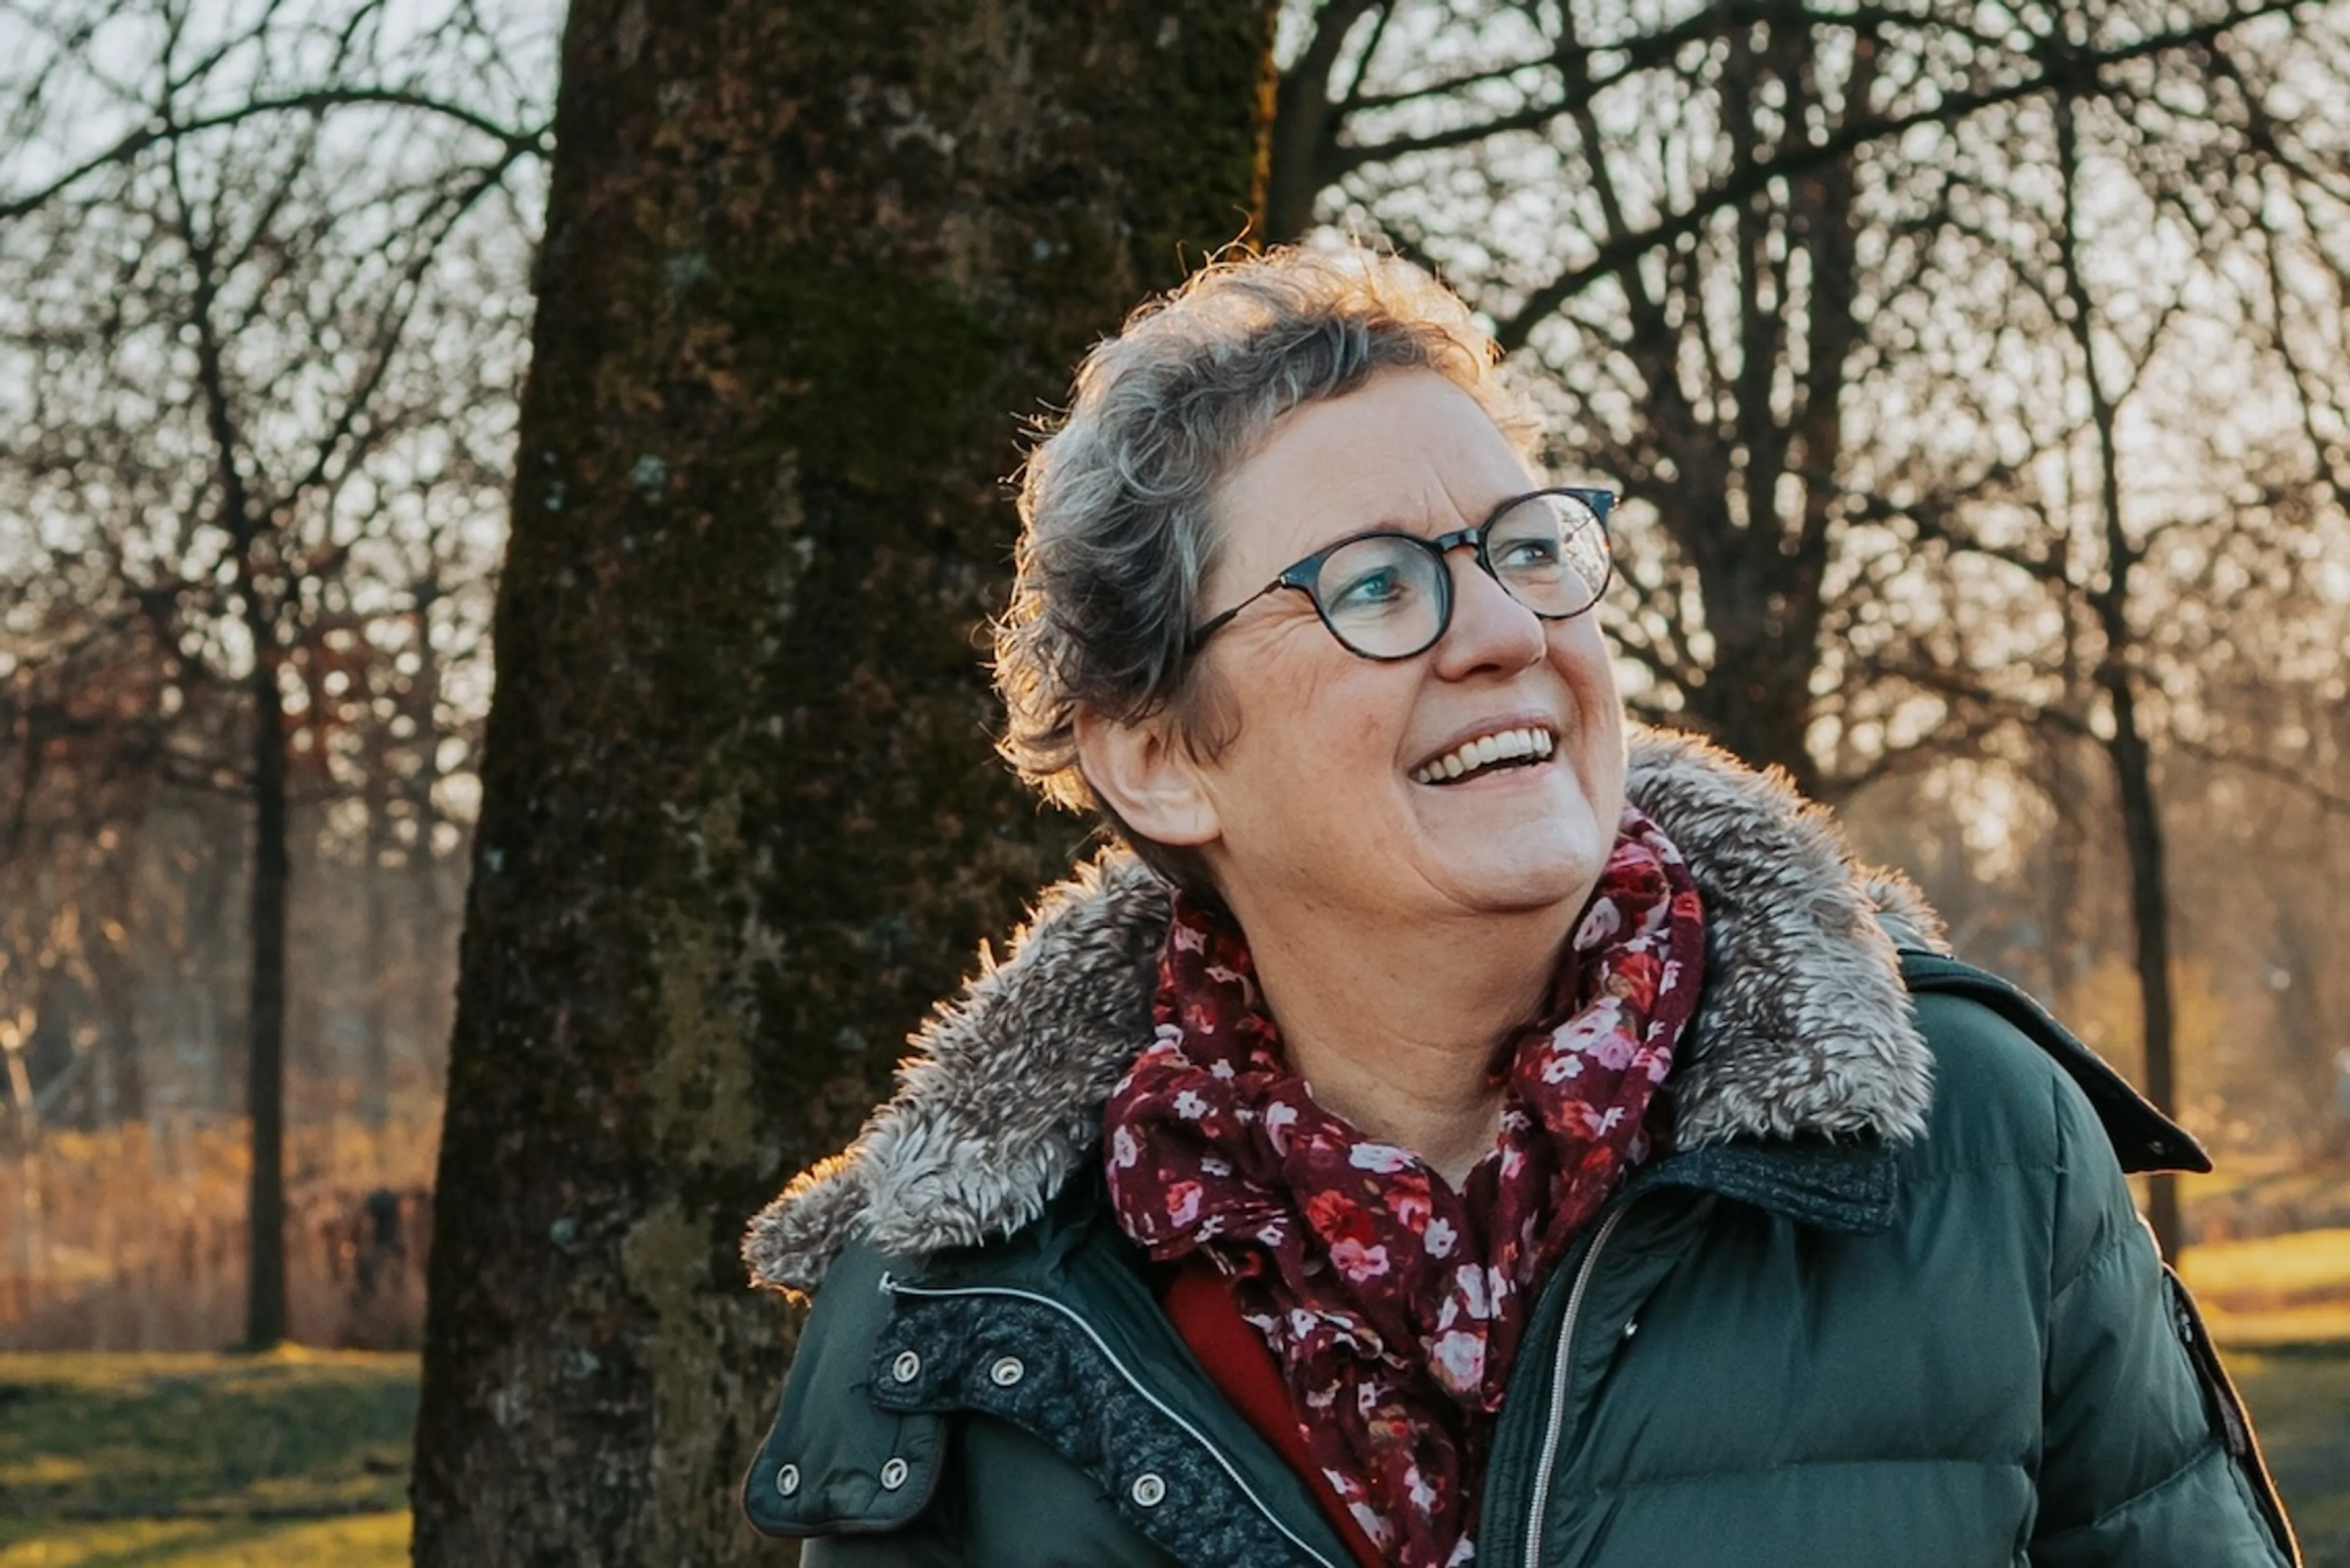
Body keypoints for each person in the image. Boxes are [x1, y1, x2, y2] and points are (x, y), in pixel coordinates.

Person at [740, 247, 2299, 1567]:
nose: (1501, 628)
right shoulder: (958, 1304)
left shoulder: (1976, 1145)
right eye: (1374, 585)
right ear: (1156, 758)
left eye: (1528, 547)